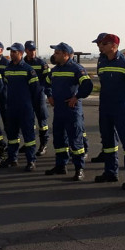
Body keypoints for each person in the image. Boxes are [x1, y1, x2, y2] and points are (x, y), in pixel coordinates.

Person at [95, 34, 125, 190]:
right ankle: (110, 172)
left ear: (113, 46)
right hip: (106, 109)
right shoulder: (102, 61)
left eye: (104, 43)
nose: (100, 46)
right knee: (108, 143)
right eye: (100, 43)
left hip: (122, 110)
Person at [44, 42, 94, 180]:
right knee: (59, 139)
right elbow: (46, 83)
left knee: (75, 140)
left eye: (57, 53)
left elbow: (87, 85)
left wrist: (76, 97)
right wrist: (49, 96)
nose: (54, 55)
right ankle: (61, 166)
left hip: (72, 111)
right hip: (59, 110)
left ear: (65, 55)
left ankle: (79, 169)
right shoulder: (55, 70)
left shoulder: (76, 69)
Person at [0, 43, 40, 171]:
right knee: (12, 136)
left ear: (21, 53)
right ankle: (12, 158)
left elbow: (36, 91)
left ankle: (31, 161)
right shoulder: (8, 69)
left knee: (28, 136)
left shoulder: (28, 70)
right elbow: (5, 87)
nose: (12, 54)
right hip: (11, 108)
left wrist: (32, 106)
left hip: (25, 108)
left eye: (14, 52)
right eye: (11, 52)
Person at [23, 40, 50, 155]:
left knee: (42, 120)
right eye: (30, 50)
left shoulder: (41, 63)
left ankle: (43, 144)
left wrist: (42, 89)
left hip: (39, 95)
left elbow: (48, 79)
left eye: (34, 50)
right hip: (26, 96)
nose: (32, 52)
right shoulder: (22, 63)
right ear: (26, 50)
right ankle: (29, 143)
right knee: (28, 120)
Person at [90, 32, 110, 163]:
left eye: (100, 43)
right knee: (105, 129)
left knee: (122, 134)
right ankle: (106, 152)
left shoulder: (117, 59)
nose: (98, 46)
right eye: (97, 44)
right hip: (105, 99)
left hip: (117, 101)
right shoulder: (101, 59)